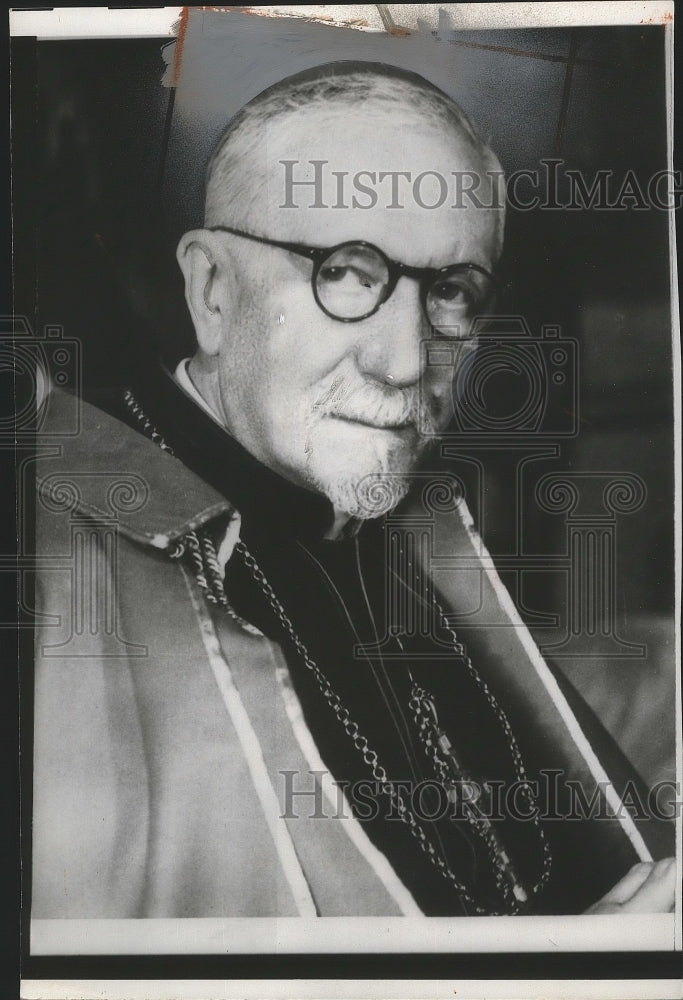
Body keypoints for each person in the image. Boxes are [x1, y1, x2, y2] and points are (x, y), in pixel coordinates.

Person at [31, 61, 675, 921]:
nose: (406, 360)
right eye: (346, 274)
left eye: (449, 293)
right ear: (212, 291)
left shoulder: (409, 519)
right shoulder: (48, 544)